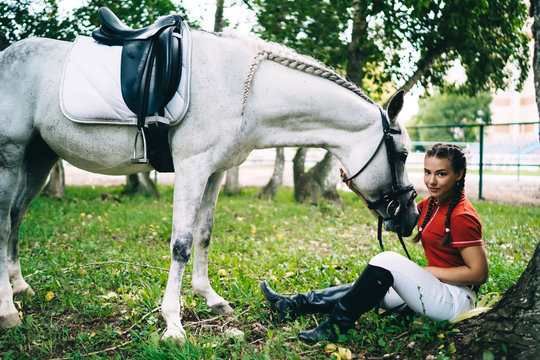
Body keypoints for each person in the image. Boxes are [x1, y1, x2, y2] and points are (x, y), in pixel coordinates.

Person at [260, 143, 489, 344]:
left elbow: (478, 273)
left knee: (387, 260)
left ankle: (336, 327)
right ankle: (293, 305)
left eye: (441, 174)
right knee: (368, 287)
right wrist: (357, 190)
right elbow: (394, 222)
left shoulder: (461, 215)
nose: (431, 180)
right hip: (436, 289)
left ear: (458, 174)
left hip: (455, 301)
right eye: (427, 172)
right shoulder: (433, 204)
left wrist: (427, 272)